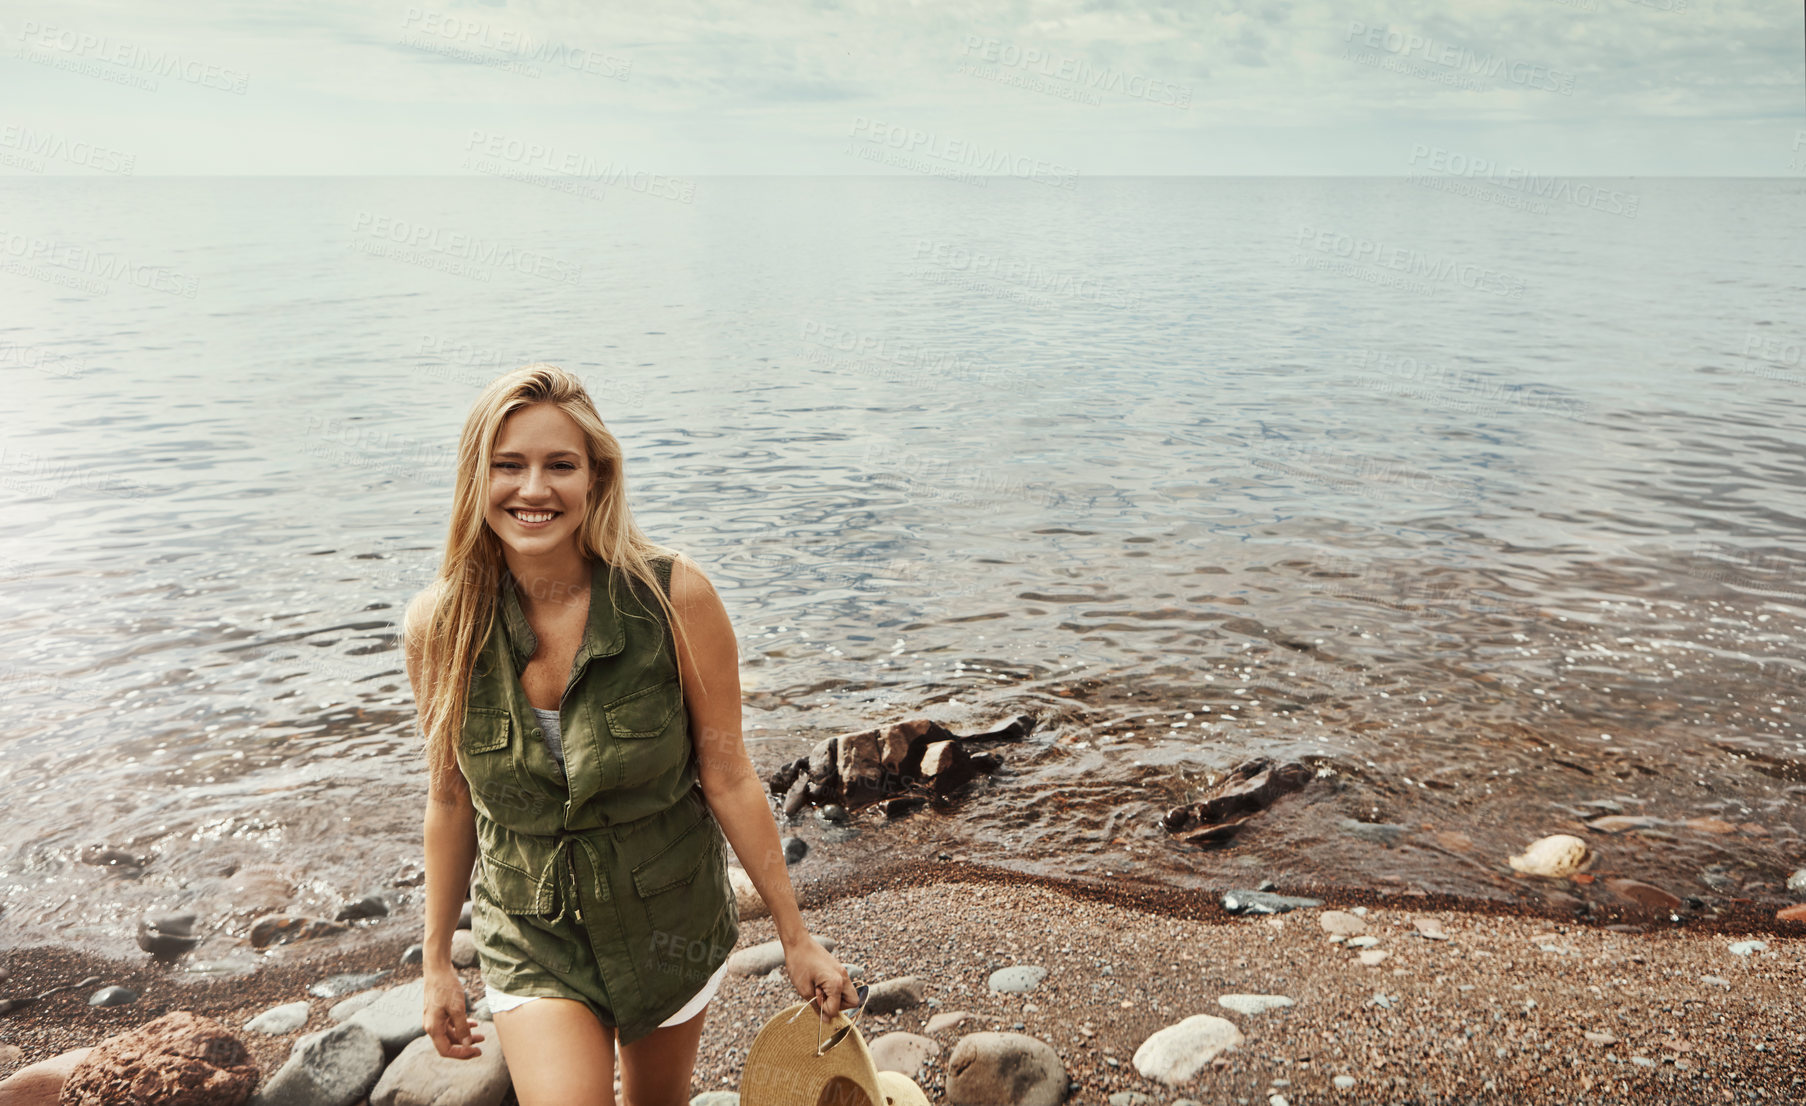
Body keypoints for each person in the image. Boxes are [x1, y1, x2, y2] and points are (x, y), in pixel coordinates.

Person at [405, 364, 860, 1106]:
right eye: (508, 465)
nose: (533, 490)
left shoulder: (674, 597)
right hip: (531, 935)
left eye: (561, 465)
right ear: (476, 478)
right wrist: (436, 964)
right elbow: (451, 800)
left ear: (596, 478)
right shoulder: (440, 627)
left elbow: (729, 776)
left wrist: (795, 936)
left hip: (667, 922)